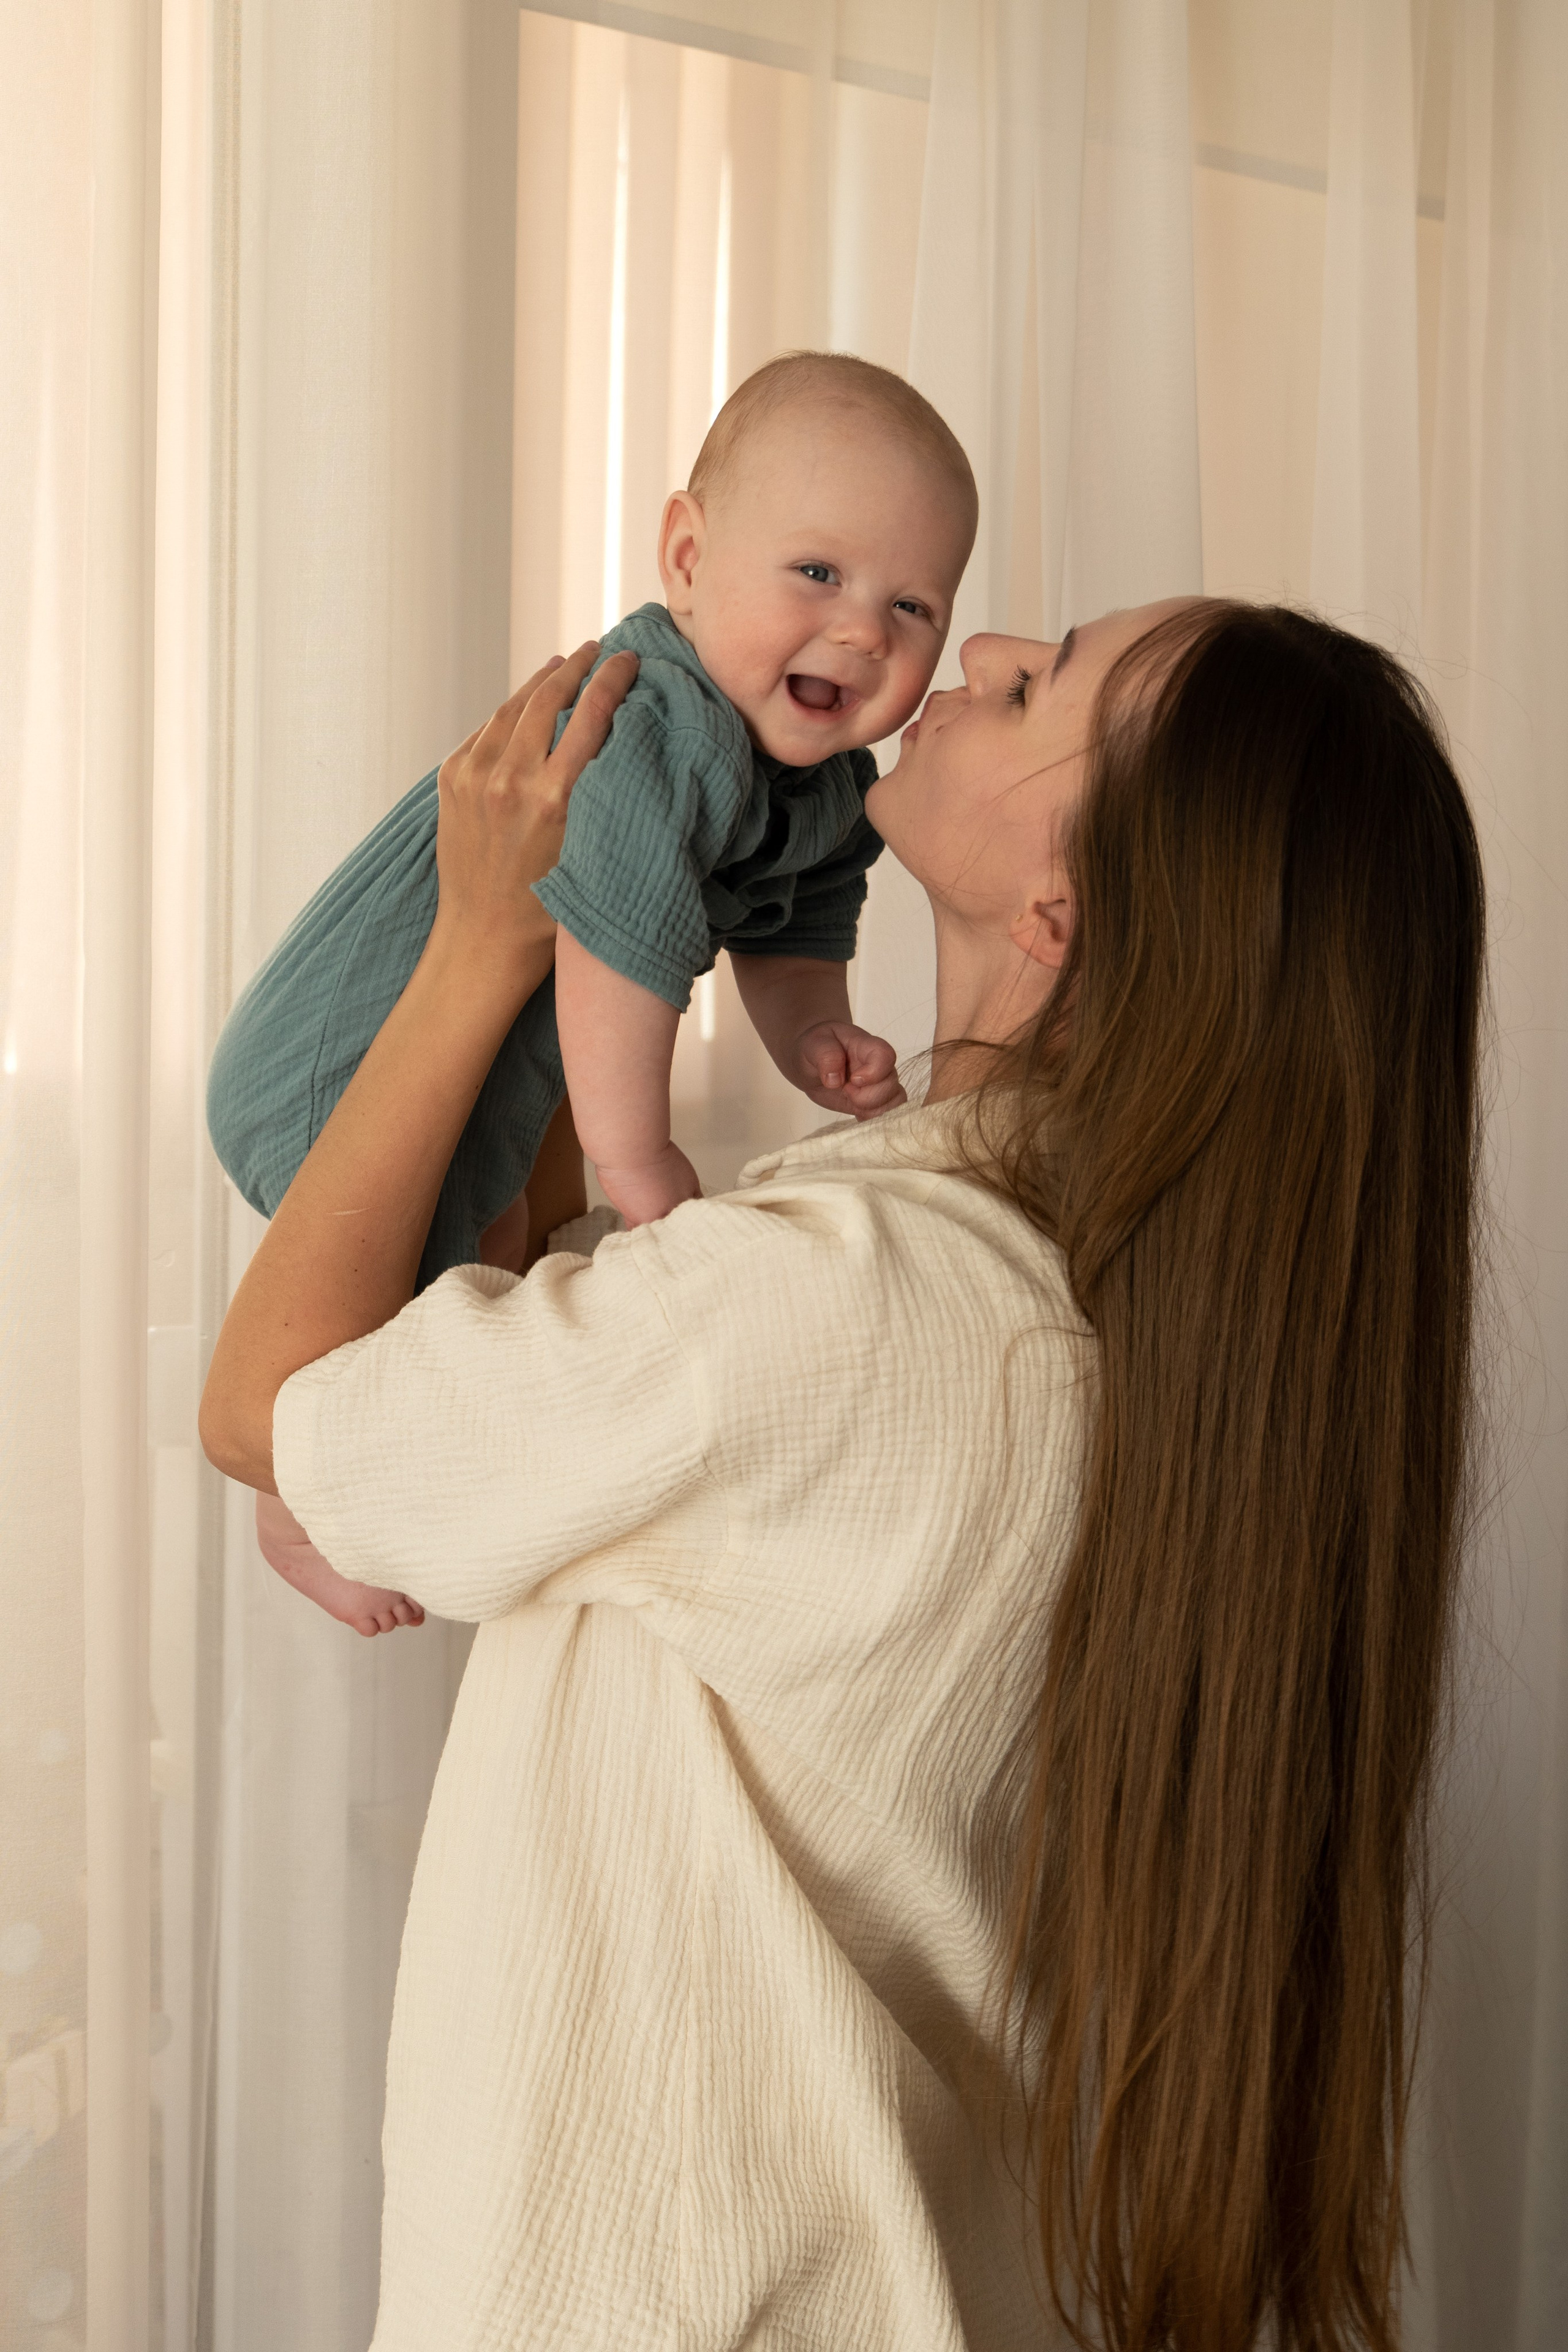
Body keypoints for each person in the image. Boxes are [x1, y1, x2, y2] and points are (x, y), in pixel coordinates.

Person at [200, 597, 1485, 2352]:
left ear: (1067, 907)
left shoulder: (845, 1298)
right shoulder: (1080, 1325)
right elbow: (509, 1349)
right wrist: (626, 941)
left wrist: (485, 938)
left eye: (1049, 686)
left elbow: (272, 1404)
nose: (989, 647)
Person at [207, 349, 977, 1635]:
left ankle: (330, 1495)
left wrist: (814, 1034)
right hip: (341, 1045)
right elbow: (628, 945)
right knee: (406, 1306)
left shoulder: (831, 788)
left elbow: (793, 929)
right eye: (818, 574)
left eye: (914, 608)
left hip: (493, 1064)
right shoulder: (654, 722)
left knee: (487, 1273)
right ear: (684, 559)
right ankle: (294, 1509)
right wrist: (638, 1162)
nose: (861, 632)